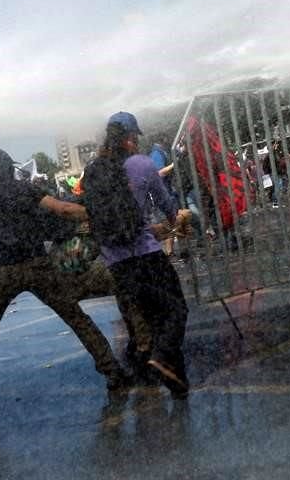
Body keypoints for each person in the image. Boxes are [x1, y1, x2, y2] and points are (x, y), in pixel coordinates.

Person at [0, 149, 130, 413]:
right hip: (38, 265)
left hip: (1, 271)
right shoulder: (25, 190)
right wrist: (101, 214)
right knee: (75, 317)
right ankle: (113, 372)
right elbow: (63, 209)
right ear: (8, 168)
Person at [82, 112, 191, 396]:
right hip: (146, 255)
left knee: (144, 319)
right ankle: (163, 363)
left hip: (116, 263)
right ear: (130, 138)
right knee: (175, 310)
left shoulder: (93, 171)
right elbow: (168, 207)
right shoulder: (141, 164)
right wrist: (178, 223)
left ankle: (165, 375)